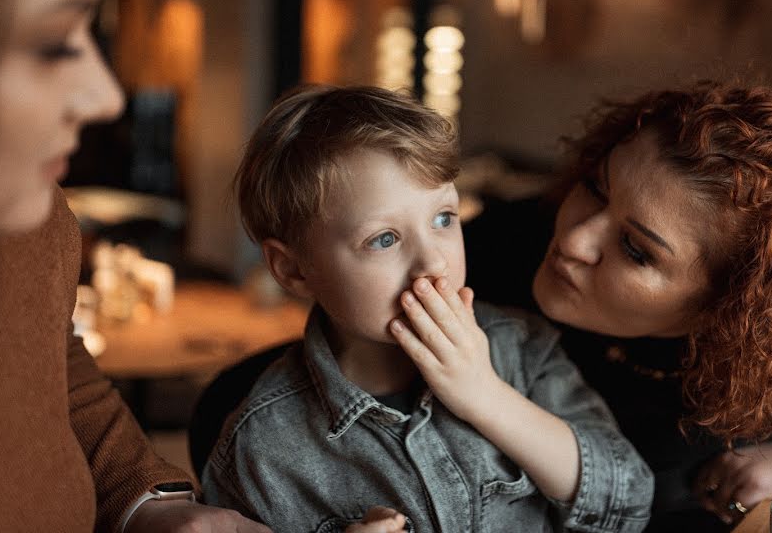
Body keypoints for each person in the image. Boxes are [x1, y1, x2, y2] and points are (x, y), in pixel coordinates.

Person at [202, 85, 653, 532]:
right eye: (384, 239)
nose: (434, 261)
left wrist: (485, 395)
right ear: (295, 270)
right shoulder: (261, 449)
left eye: (443, 219)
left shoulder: (524, 349)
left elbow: (628, 503)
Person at [463, 81, 772, 531]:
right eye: (596, 189)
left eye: (636, 250)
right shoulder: (502, 243)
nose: (572, 240)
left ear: (730, 305)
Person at [0, 0, 272, 531]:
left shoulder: (29, 214)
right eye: (54, 43)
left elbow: (46, 356)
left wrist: (147, 505)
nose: (108, 97)